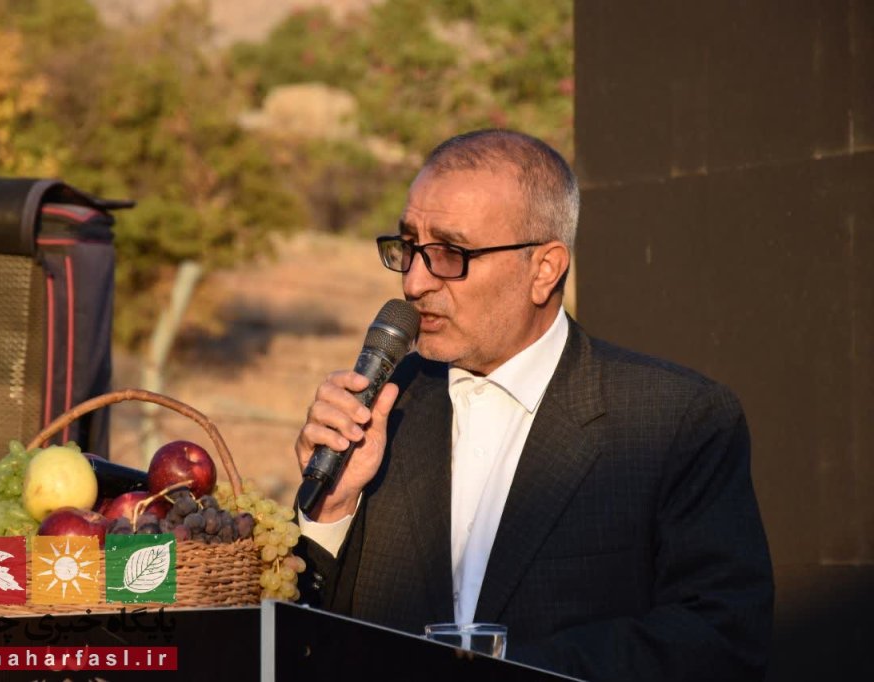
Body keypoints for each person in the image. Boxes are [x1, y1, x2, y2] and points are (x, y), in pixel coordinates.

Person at [292, 129, 773, 681]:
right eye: (408, 246)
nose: (415, 281)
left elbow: (721, 637)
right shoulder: (387, 406)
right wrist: (331, 512)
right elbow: (312, 635)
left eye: (450, 253)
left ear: (544, 269)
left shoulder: (673, 418)